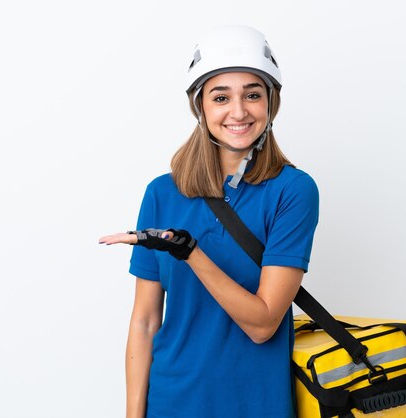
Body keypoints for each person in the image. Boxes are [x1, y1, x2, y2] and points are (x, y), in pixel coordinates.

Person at [99, 25, 319, 418]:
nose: (239, 111)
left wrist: (190, 251)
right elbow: (146, 320)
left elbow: (263, 324)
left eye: (253, 94)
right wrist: (134, 414)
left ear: (271, 103)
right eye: (221, 97)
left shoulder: (293, 191)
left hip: (255, 405)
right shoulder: (162, 193)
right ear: (200, 106)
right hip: (171, 401)